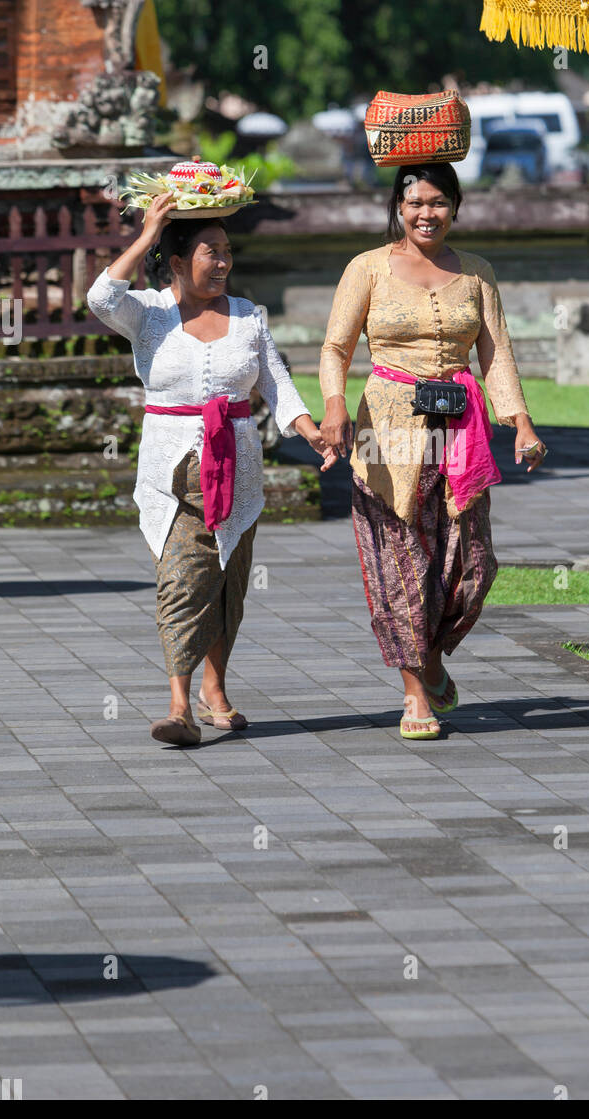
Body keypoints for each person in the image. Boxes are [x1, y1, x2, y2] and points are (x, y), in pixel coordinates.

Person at [87, 191, 337, 745]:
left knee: (227, 580)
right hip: (169, 473)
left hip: (237, 468)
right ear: (177, 263)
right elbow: (101, 296)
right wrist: (148, 233)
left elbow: (276, 382)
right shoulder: (148, 313)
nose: (222, 262)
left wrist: (309, 430)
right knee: (182, 580)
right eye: (209, 252)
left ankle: (214, 688)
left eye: (227, 251)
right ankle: (179, 705)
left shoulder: (249, 316)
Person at [320, 163, 546, 741]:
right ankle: (415, 693)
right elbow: (336, 347)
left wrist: (519, 423)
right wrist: (335, 405)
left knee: (474, 564)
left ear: (457, 206)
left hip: (461, 430)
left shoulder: (477, 273)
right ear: (398, 206)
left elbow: (497, 356)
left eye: (439, 202)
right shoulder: (366, 268)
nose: (427, 213)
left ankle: (432, 653)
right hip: (385, 433)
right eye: (415, 201)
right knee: (400, 563)